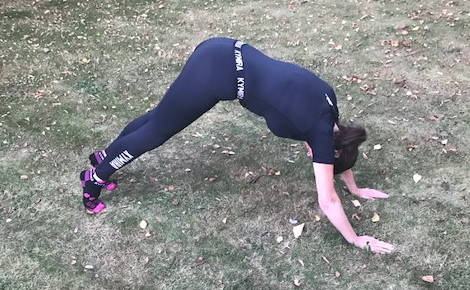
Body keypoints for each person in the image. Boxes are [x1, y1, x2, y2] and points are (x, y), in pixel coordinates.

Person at [80, 37, 394, 254]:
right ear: (332, 149)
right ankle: (94, 178)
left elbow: (336, 153)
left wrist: (353, 187)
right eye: (322, 157)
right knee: (157, 132)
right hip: (216, 72)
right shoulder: (321, 134)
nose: (312, 156)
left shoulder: (330, 109)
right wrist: (355, 239)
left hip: (224, 51)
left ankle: (104, 156)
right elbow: (328, 201)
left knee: (159, 118)